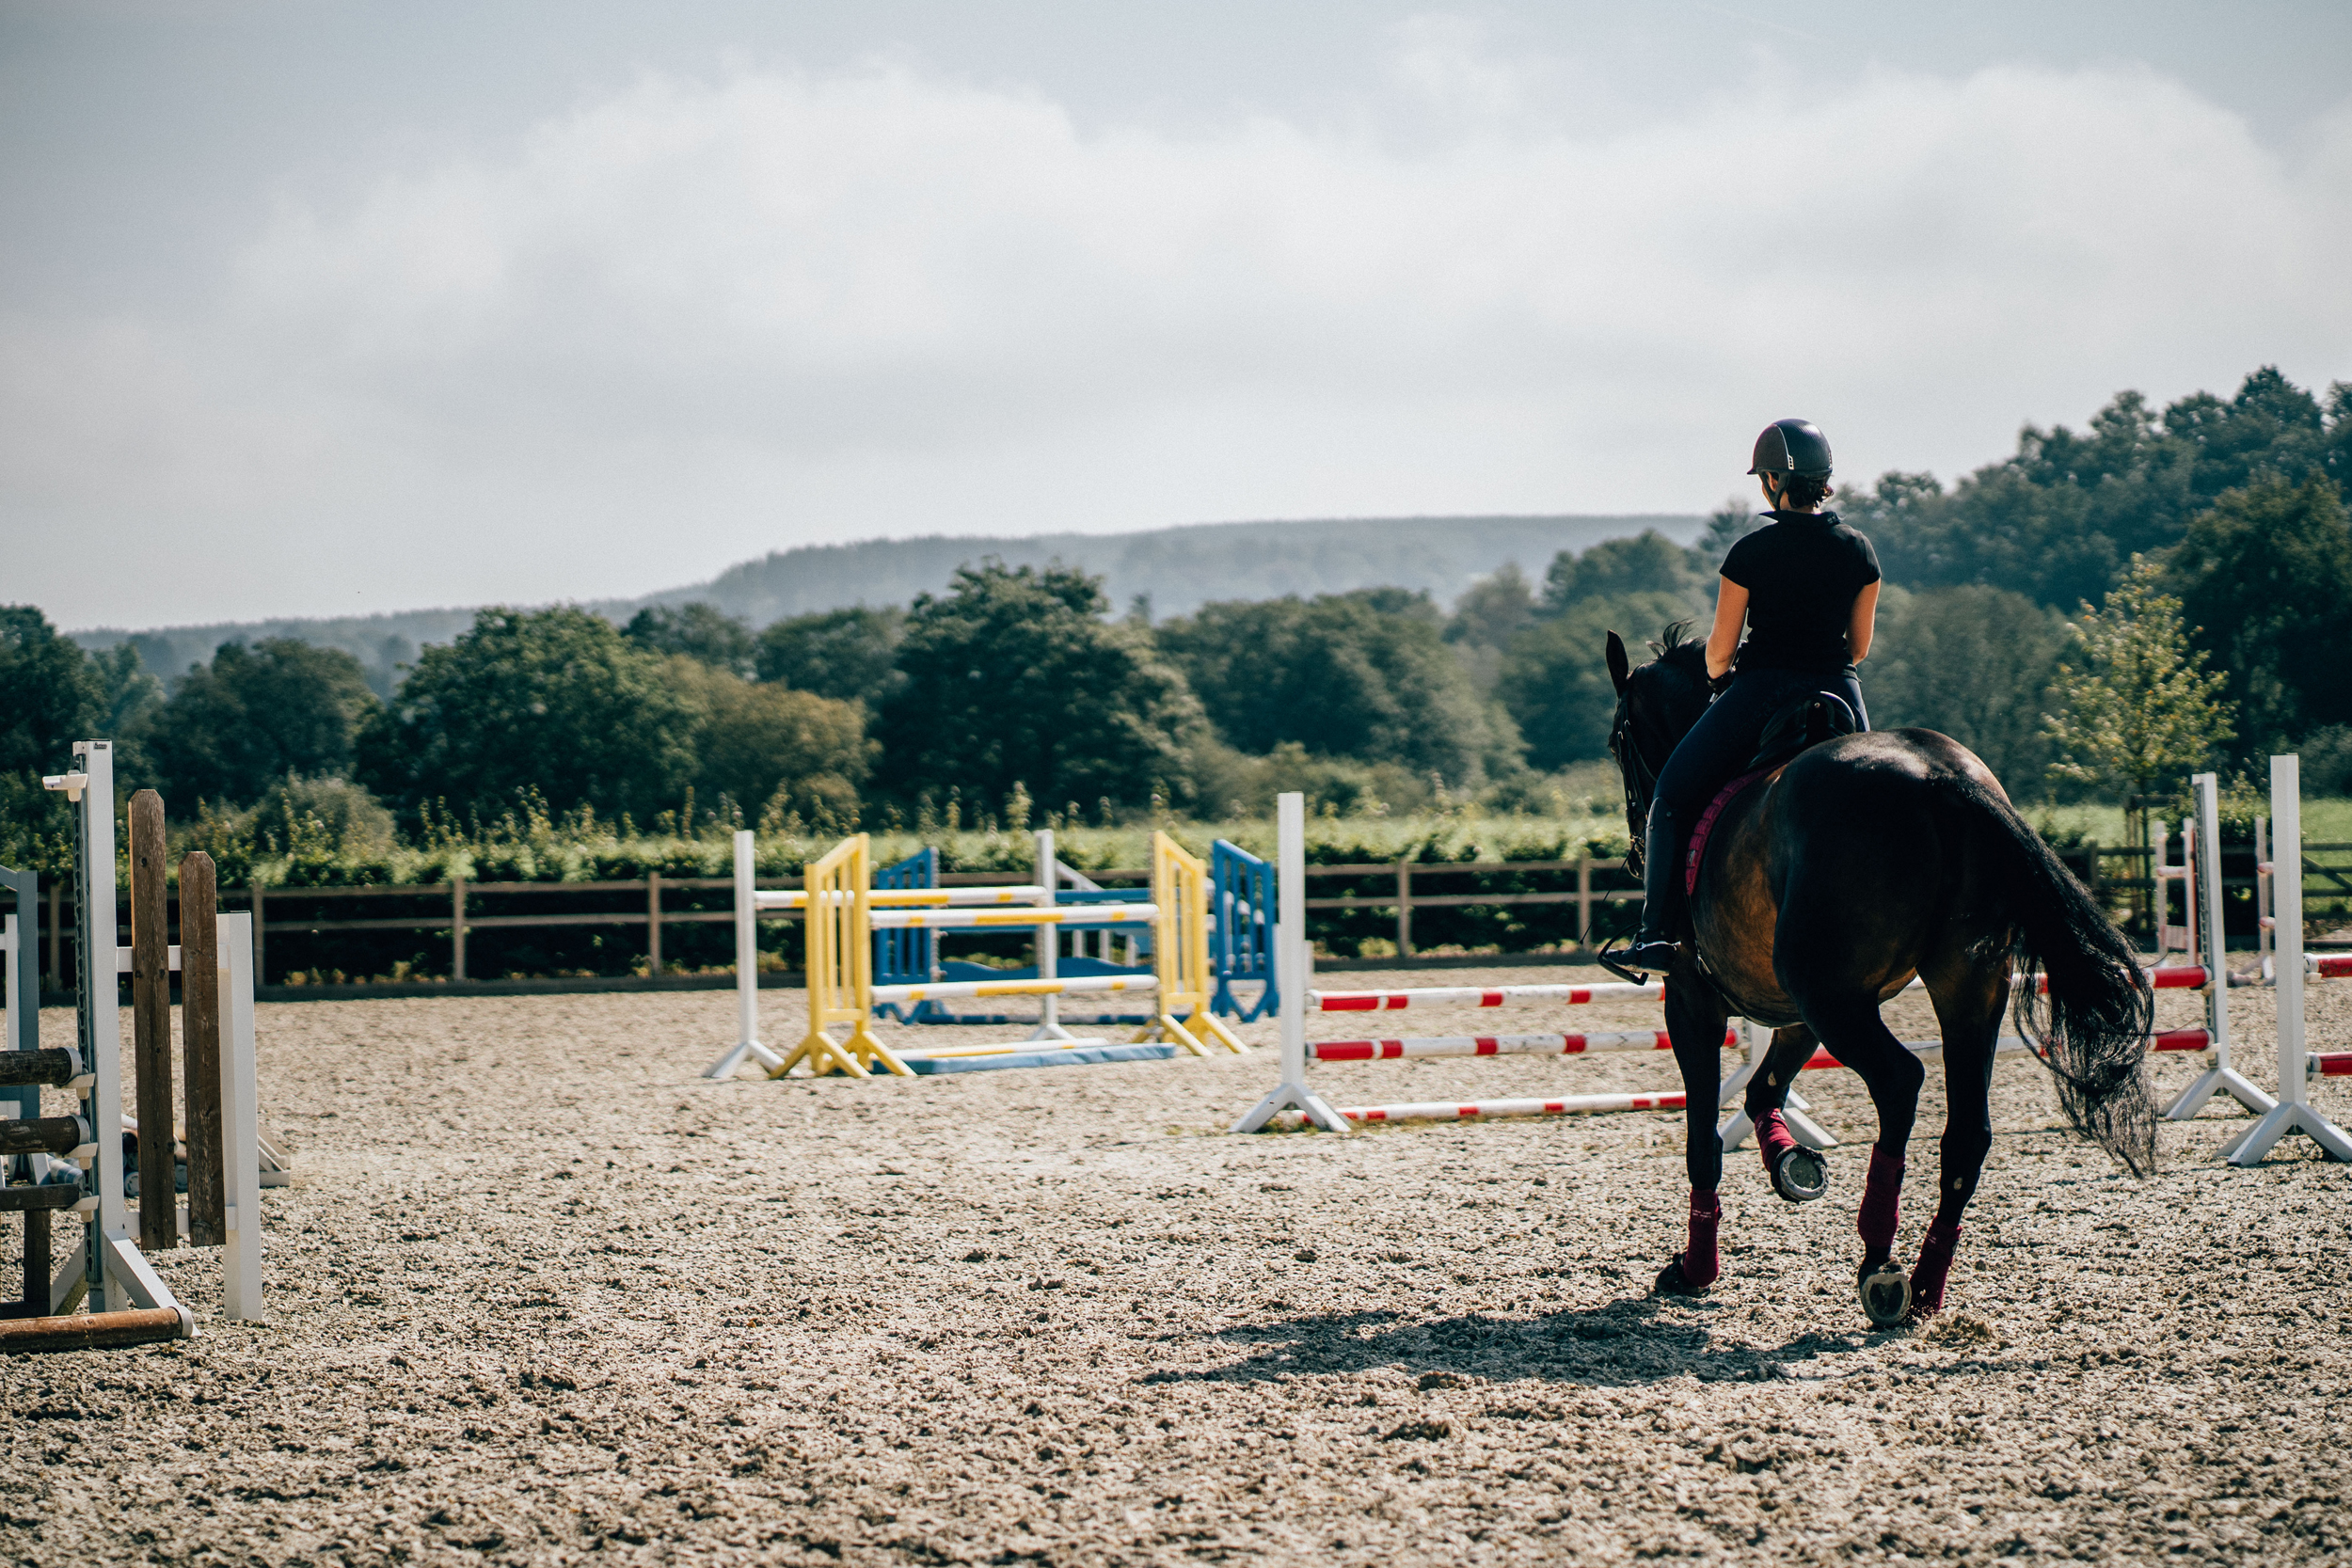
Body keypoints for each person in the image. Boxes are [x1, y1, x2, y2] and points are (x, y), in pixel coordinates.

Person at [1618, 418, 1881, 972]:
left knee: (1669, 796)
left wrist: (1718, 680)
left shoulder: (1749, 554)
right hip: (1840, 690)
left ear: (1772, 482)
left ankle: (1656, 933)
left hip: (1763, 689)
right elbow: (1858, 648)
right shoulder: (1859, 551)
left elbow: (1718, 652)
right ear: (1821, 481)